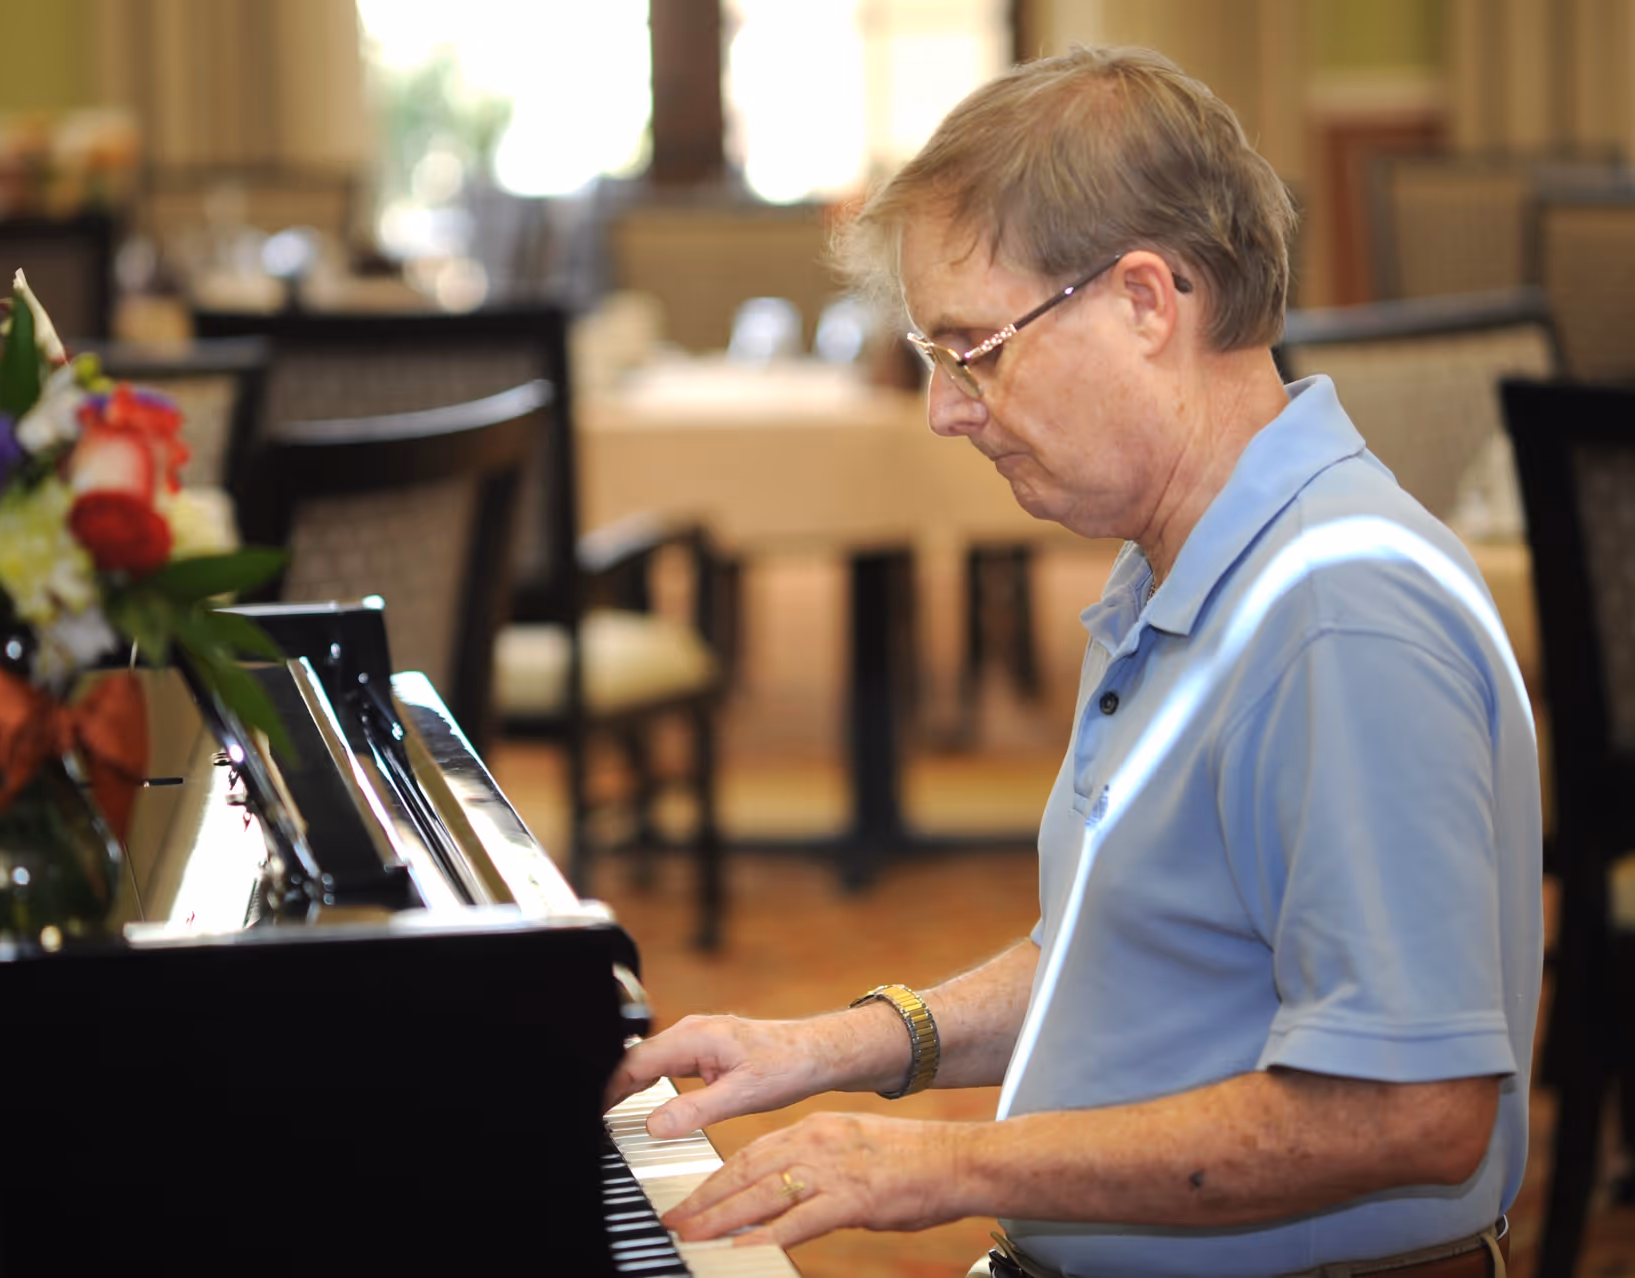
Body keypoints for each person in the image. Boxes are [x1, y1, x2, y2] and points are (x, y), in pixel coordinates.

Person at [605, 45, 1541, 1278]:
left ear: (1148, 303)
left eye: (974, 350)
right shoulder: (1195, 561)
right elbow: (1138, 948)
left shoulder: (1338, 615)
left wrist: (942, 1166)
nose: (946, 410)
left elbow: (1410, 1110)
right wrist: (850, 1044)